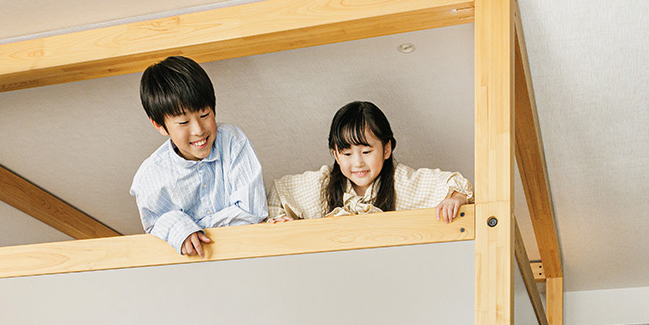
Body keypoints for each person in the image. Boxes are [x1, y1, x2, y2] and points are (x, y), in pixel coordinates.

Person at [130, 55, 267, 257]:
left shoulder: (232, 141)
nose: (199, 130)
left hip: (245, 253)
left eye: (205, 115)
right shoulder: (150, 177)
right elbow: (154, 231)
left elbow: (253, 212)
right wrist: (177, 226)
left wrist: (190, 227)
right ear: (159, 125)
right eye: (184, 123)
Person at [267, 100, 471, 222]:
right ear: (335, 155)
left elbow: (457, 185)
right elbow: (281, 190)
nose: (358, 163)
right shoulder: (322, 184)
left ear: (386, 149)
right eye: (347, 154)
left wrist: (456, 199)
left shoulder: (402, 182)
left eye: (366, 151)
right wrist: (279, 219)